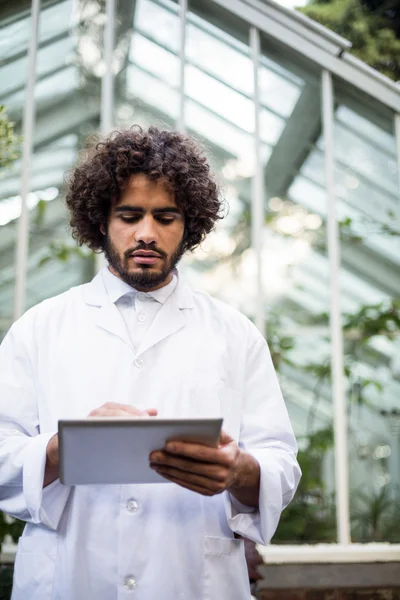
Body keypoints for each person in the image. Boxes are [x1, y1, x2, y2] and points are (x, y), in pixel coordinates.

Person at [0, 126, 301, 600]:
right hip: (67, 579)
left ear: (189, 226)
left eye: (165, 217)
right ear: (101, 220)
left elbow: (281, 463)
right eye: (129, 215)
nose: (146, 233)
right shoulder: (39, 330)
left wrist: (240, 470)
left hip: (192, 582)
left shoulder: (235, 335)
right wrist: (64, 450)